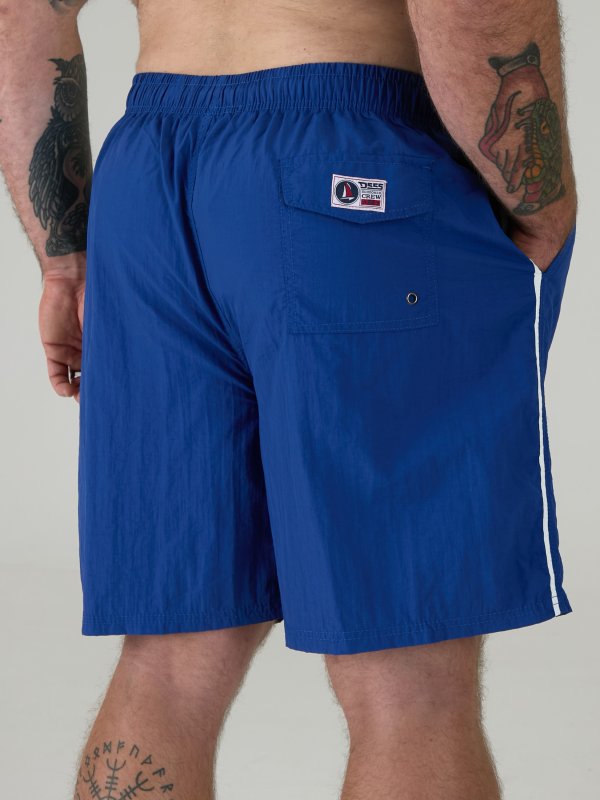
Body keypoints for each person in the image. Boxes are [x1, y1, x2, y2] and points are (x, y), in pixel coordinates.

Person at [0, 0, 577, 797]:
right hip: (353, 163)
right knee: (404, 678)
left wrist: (64, 262)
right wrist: (541, 199)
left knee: (169, 660)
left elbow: (21, 13)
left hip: (149, 187)